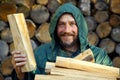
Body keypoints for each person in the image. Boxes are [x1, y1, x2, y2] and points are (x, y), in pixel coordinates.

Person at [11, 3, 112, 80]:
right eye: (61, 24)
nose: (67, 30)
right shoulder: (40, 54)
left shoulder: (99, 56)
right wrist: (20, 74)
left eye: (72, 24)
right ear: (55, 27)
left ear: (80, 27)